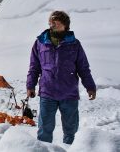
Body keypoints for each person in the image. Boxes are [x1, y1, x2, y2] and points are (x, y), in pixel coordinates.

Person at [26, 11, 96, 144]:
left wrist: (90, 87)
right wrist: (30, 85)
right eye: (50, 22)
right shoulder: (40, 42)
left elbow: (83, 68)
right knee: (44, 129)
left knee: (71, 131)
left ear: (65, 25)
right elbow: (34, 67)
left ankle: (71, 149)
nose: (52, 25)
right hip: (47, 92)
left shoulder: (75, 44)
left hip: (69, 93)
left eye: (56, 22)